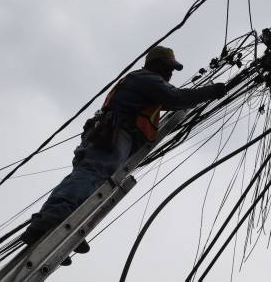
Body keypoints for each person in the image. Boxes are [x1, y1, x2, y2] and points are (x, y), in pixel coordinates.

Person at [20, 46, 226, 261]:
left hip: (109, 136)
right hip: (114, 134)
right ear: (154, 64)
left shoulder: (147, 86)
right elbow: (174, 97)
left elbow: (171, 101)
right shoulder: (146, 79)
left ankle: (57, 229)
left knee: (94, 182)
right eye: (167, 67)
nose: (170, 73)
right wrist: (213, 91)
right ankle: (55, 217)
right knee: (94, 173)